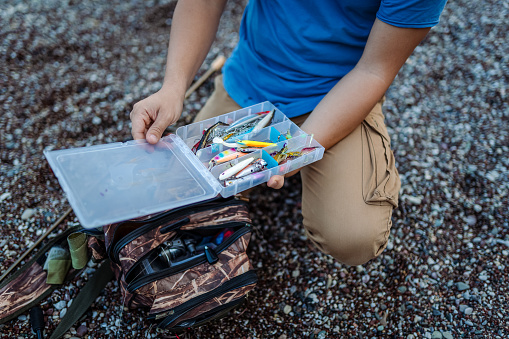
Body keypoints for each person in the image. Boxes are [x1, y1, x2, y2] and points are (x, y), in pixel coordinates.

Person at [129, 0, 447, 266]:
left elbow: (374, 70)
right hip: (251, 84)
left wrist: (293, 149)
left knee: (352, 236)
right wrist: (173, 87)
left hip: (338, 94)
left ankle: (369, 161)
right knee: (177, 200)